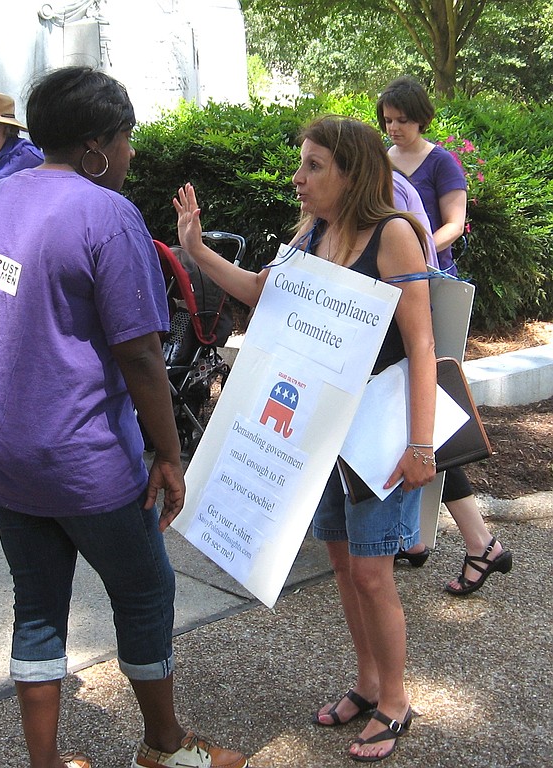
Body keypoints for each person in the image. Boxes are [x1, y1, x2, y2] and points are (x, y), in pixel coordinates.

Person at [0, 66, 250, 768]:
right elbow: (144, 359)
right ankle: (165, 747)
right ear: (98, 147)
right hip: (83, 458)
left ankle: (46, 762)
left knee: (37, 601)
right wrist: (170, 454)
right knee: (146, 589)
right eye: (125, 141)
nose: (129, 155)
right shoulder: (109, 216)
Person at [174, 115, 437, 762]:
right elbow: (264, 296)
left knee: (374, 574)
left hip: (384, 436)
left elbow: (424, 342)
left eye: (314, 166)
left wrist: (424, 445)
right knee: (346, 569)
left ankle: (397, 701)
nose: (298, 178)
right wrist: (198, 250)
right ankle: (369, 684)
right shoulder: (313, 236)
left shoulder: (396, 237)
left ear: (353, 174)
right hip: (323, 438)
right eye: (302, 164)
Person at [378, 76, 513, 596]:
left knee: (430, 419)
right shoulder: (383, 160)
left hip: (432, 296)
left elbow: (454, 224)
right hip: (396, 292)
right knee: (416, 416)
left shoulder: (442, 164)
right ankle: (418, 538)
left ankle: (478, 543)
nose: (393, 128)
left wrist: (409, 254)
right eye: (387, 120)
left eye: (402, 120)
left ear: (421, 118)